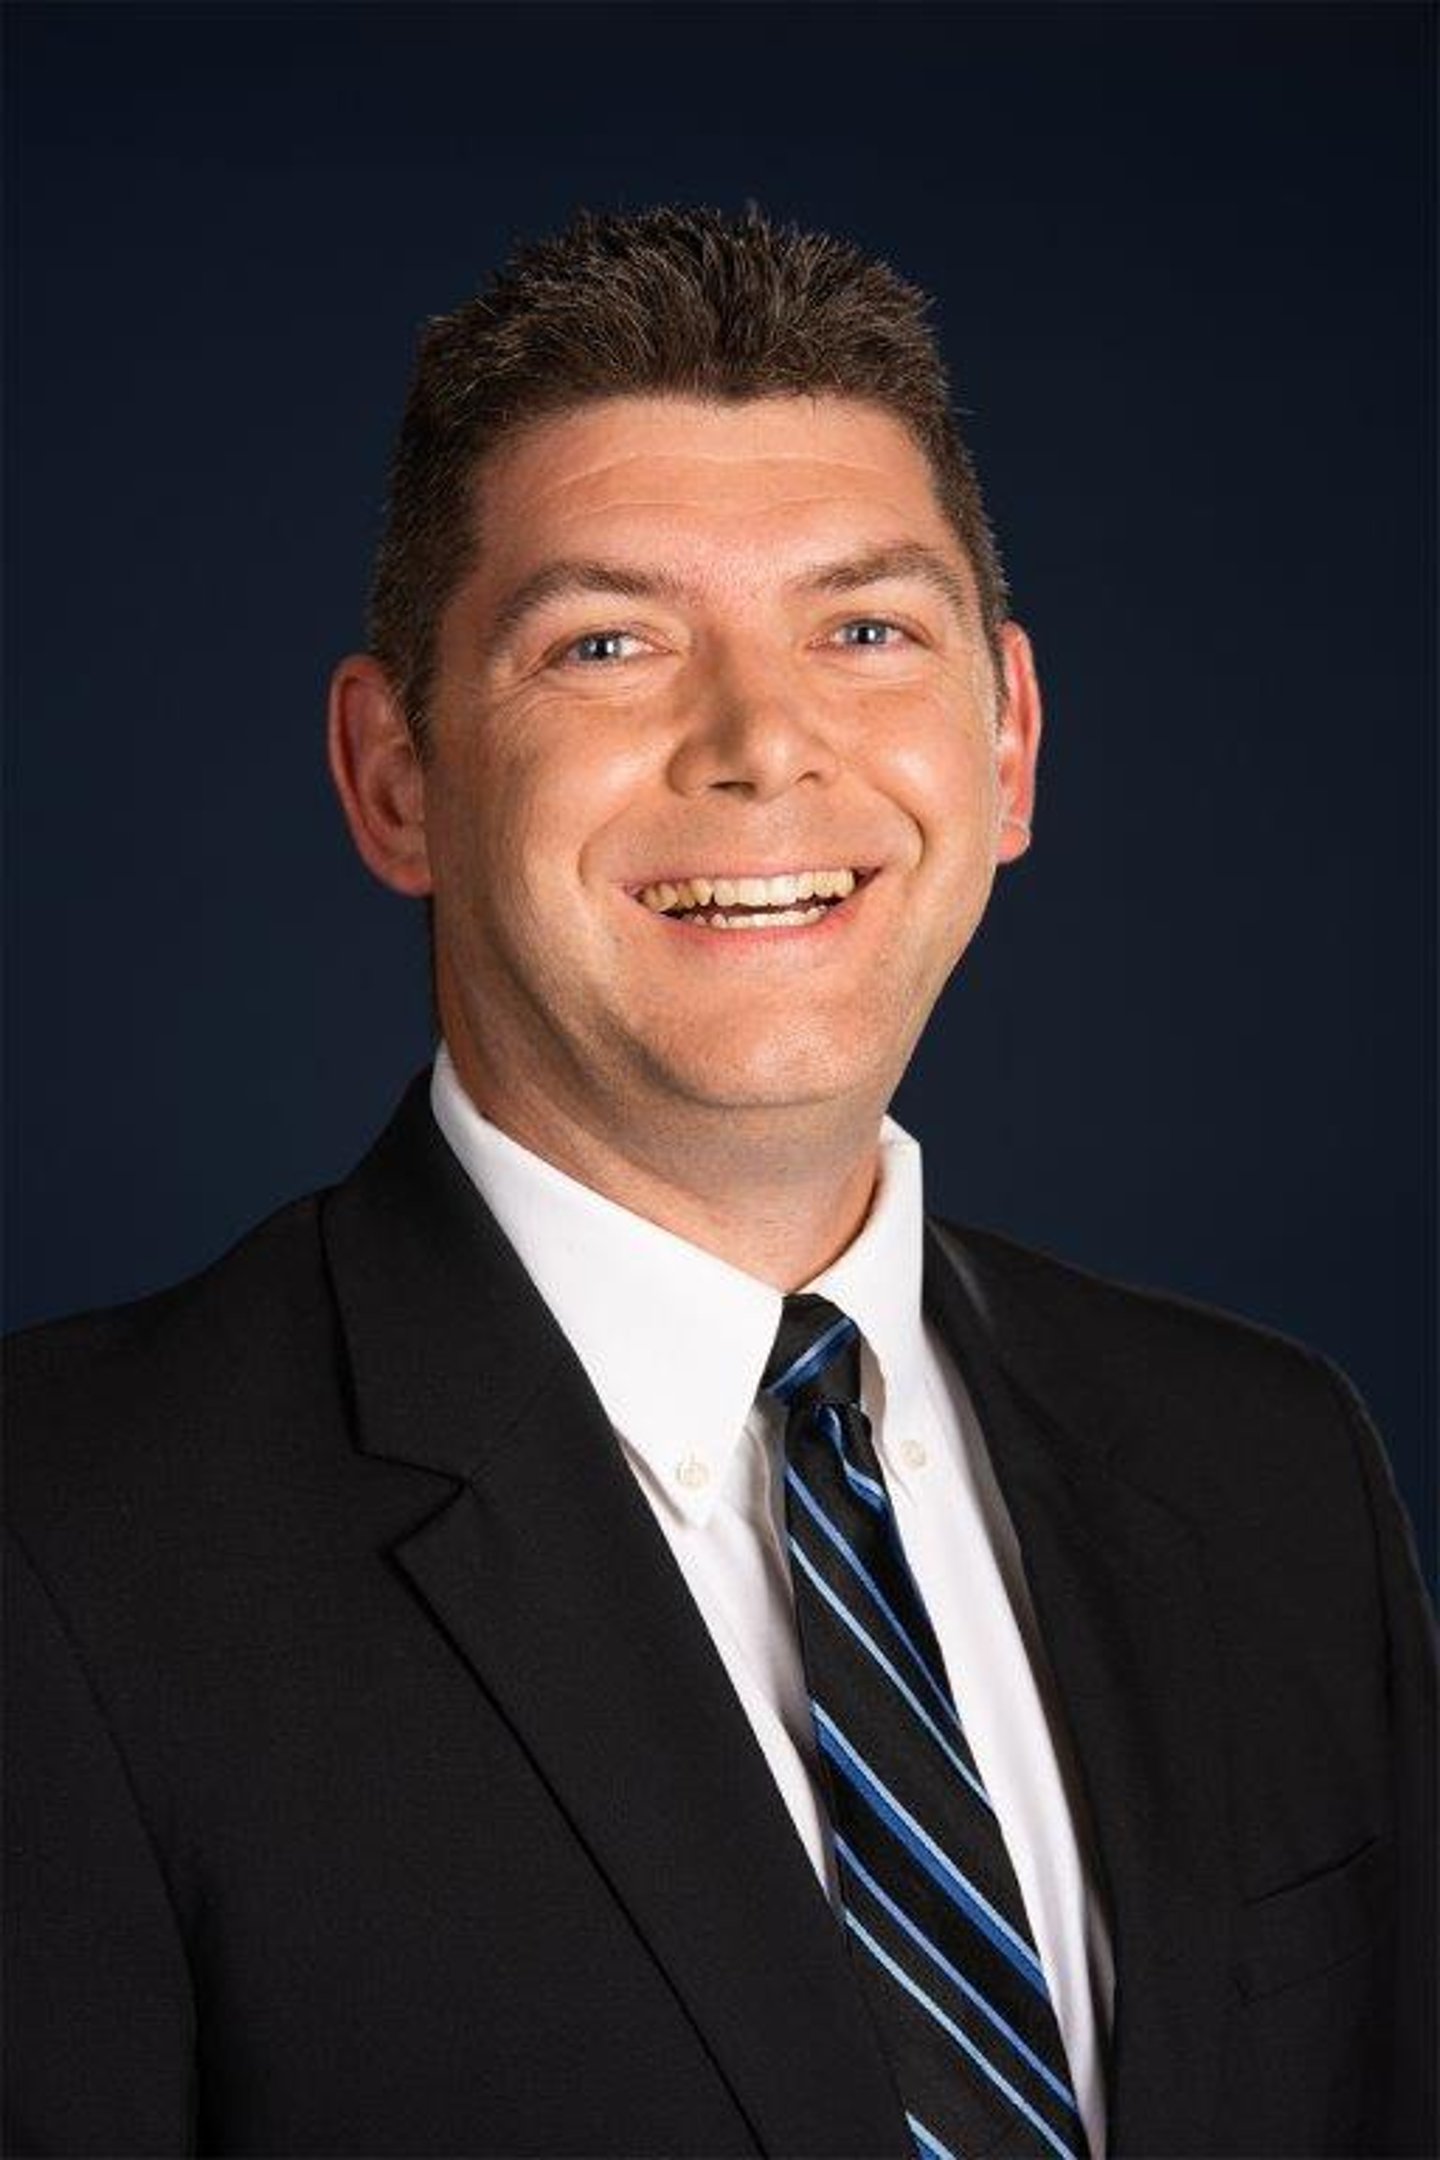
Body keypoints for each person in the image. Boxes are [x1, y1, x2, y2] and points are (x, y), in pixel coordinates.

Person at [3, 205, 1433, 2160]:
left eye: (864, 630)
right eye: (608, 643)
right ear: (394, 778)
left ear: (1005, 743)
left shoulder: (1274, 1479)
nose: (764, 748)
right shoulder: (58, 1557)